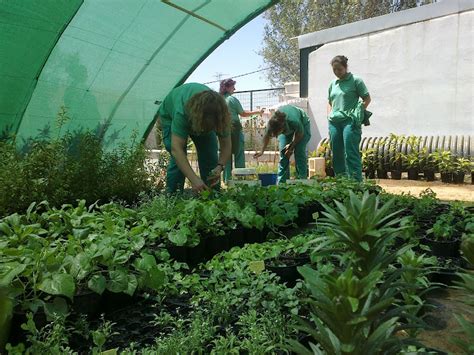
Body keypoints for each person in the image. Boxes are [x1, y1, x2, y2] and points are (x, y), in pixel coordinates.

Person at [157, 83, 231, 193]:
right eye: (205, 127)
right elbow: (176, 149)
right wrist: (194, 179)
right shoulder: (181, 112)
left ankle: (212, 198)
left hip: (200, 115)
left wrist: (219, 167)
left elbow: (226, 145)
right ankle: (173, 199)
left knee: (210, 157)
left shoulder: (220, 114)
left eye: (211, 128)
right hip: (169, 117)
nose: (204, 131)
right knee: (178, 161)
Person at [327, 55, 371, 181]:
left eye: (339, 69)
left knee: (350, 152)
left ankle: (356, 182)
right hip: (334, 122)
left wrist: (358, 113)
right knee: (336, 153)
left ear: (346, 67)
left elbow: (367, 98)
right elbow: (329, 101)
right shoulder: (333, 84)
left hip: (349, 122)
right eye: (334, 70)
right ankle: (341, 181)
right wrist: (329, 115)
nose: (337, 72)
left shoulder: (356, 80)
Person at [219, 78, 264, 182]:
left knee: (226, 153)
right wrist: (257, 112)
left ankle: (227, 180)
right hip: (234, 127)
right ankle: (240, 179)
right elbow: (243, 113)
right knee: (239, 153)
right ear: (226, 87)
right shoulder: (232, 99)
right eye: (232, 86)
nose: (234, 88)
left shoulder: (219, 100)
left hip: (221, 128)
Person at [254, 104, 311, 183]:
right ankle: (282, 183)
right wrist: (262, 151)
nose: (276, 137)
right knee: (283, 153)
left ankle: (302, 180)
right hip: (287, 127)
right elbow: (267, 137)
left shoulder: (294, 121)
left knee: (299, 151)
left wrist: (291, 148)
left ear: (282, 128)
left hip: (303, 123)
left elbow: (299, 135)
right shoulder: (271, 124)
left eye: (277, 134)